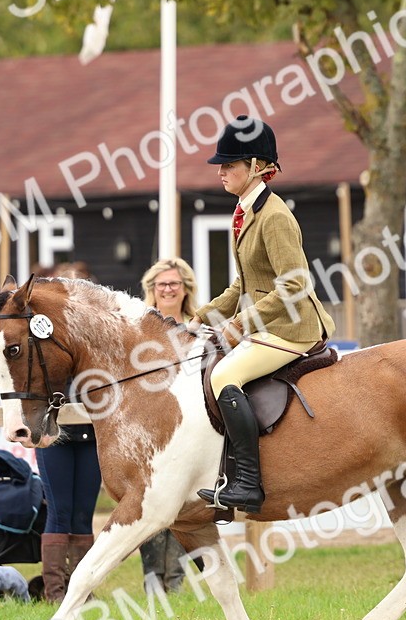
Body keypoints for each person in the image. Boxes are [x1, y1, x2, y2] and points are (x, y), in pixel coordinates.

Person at [189, 116, 335, 513]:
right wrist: (200, 318)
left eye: (229, 165)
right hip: (268, 323)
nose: (221, 172)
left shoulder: (274, 216)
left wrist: (239, 324)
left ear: (256, 167)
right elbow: (243, 285)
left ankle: (248, 483)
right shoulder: (245, 212)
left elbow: (295, 286)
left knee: (224, 374)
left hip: (292, 328)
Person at [35, 261, 102, 603]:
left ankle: (82, 591)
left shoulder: (99, 337)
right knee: (59, 510)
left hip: (91, 433)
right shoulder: (44, 335)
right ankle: (55, 591)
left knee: (83, 513)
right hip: (56, 433)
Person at [137, 257, 198, 592]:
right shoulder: (141, 330)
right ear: (152, 289)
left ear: (185, 288)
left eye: (174, 283)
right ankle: (152, 586)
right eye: (162, 284)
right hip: (149, 431)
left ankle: (175, 583)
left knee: (181, 508)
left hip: (188, 429)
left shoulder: (197, 327)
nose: (168, 289)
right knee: (150, 507)